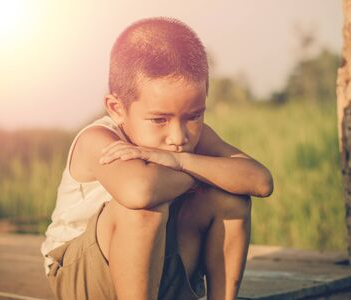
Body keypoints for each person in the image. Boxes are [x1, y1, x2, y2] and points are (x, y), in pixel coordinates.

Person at [40, 16, 273, 300]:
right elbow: (140, 191)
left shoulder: (190, 139)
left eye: (194, 116)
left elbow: (260, 182)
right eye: (159, 119)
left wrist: (181, 162)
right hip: (82, 276)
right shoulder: (98, 139)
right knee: (143, 210)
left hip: (159, 269)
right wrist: (202, 175)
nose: (178, 137)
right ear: (117, 108)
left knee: (232, 199)